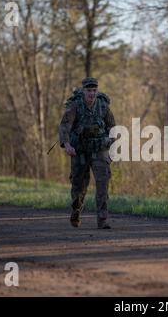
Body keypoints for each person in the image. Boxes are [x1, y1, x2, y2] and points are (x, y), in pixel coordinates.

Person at [58, 77, 115, 229]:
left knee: (103, 184)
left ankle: (102, 220)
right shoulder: (75, 105)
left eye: (94, 90)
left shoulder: (103, 106)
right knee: (78, 186)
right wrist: (67, 144)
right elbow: (65, 126)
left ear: (97, 91)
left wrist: (111, 144)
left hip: (99, 150)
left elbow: (113, 128)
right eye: (89, 91)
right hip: (80, 150)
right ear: (83, 91)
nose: (92, 93)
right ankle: (76, 209)